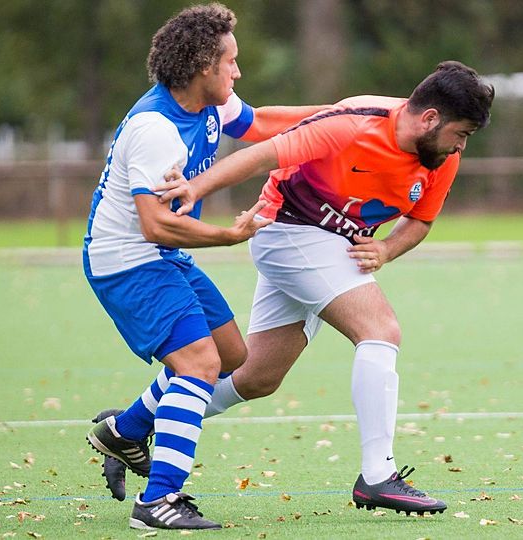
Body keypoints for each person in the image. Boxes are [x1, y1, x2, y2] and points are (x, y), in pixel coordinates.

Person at [150, 60, 494, 516]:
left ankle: (129, 425)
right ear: (430, 118)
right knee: (380, 330)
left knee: (256, 377)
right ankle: (378, 476)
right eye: (461, 134)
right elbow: (262, 155)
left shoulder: (441, 157)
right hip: (288, 230)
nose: (461, 145)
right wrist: (195, 189)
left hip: (331, 250)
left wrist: (387, 249)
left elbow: (421, 220)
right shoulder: (354, 124)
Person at [83, 3, 326, 530]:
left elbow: (261, 123)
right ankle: (158, 501)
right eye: (231, 62)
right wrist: (228, 236)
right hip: (126, 260)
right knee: (198, 364)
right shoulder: (155, 128)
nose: (238, 72)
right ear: (202, 66)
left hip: (163, 256)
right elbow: (155, 225)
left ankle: (125, 430)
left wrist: (342, 116)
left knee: (232, 357)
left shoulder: (212, 103)